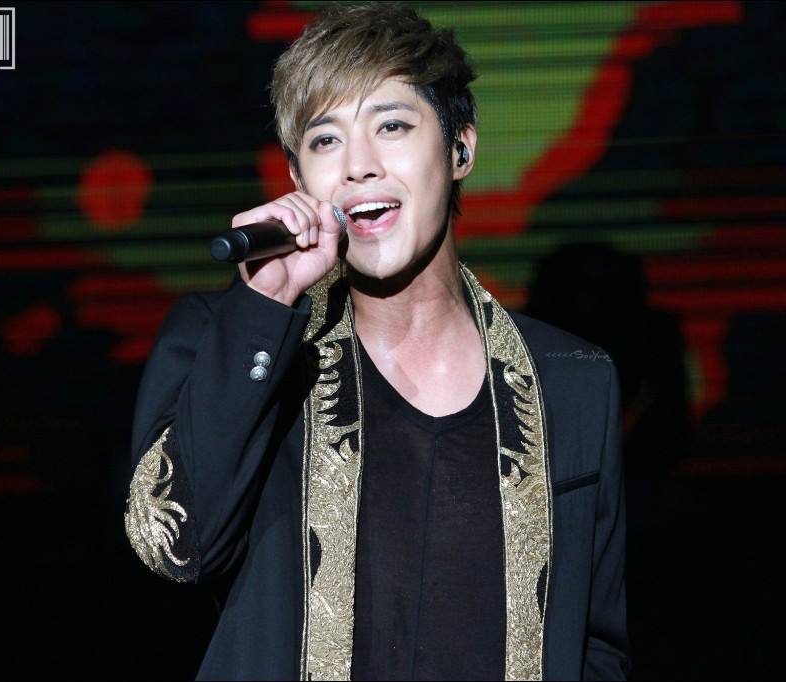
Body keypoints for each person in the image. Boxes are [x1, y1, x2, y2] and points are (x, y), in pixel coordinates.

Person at [124, 3, 628, 680]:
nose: (358, 166)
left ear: (460, 149)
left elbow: (596, 645)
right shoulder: (234, 341)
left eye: (392, 126)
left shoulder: (572, 380)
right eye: (325, 140)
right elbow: (174, 546)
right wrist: (264, 310)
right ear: (298, 180)